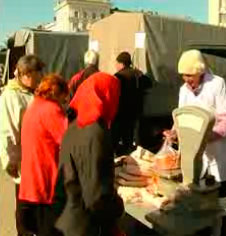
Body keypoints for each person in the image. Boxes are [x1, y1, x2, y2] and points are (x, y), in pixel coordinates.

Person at [54, 72, 125, 236]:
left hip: (66, 217)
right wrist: (117, 206)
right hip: (84, 225)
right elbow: (96, 197)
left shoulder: (74, 125)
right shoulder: (96, 132)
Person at [164, 49, 226, 196]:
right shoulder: (184, 90)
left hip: (220, 150)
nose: (186, 79)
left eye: (190, 75)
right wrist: (174, 133)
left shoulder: (217, 84)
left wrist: (204, 138)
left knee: (219, 193)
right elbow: (182, 118)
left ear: (200, 71)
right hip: (196, 153)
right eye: (184, 75)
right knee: (197, 190)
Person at [18, 74, 68, 236]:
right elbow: (68, 141)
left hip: (30, 178)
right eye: (63, 98)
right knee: (48, 228)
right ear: (56, 93)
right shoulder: (51, 110)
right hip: (45, 179)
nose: (64, 103)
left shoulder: (35, 106)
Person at [0, 54, 44, 236]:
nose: (41, 77)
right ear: (25, 74)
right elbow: (7, 133)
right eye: (38, 74)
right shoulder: (11, 96)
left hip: (37, 159)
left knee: (36, 203)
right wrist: (11, 161)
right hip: (24, 161)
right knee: (25, 205)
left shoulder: (30, 91)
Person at [112, 51, 143, 155]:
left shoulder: (118, 76)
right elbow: (148, 84)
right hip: (135, 112)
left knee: (116, 140)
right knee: (129, 140)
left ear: (121, 63)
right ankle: (129, 158)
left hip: (121, 113)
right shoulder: (138, 74)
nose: (116, 66)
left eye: (116, 63)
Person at [67, 50, 99, 121]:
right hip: (98, 119)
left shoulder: (76, 78)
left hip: (79, 117)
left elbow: (70, 98)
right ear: (97, 62)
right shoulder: (103, 77)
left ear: (85, 63)